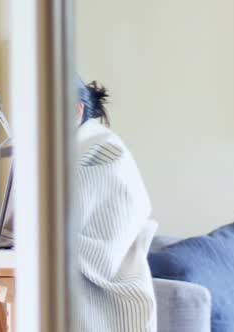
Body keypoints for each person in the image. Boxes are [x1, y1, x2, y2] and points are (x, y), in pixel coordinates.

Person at [74, 78, 157, 331]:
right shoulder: (79, 148)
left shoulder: (102, 148)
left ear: (76, 111)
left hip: (117, 284)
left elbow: (104, 242)